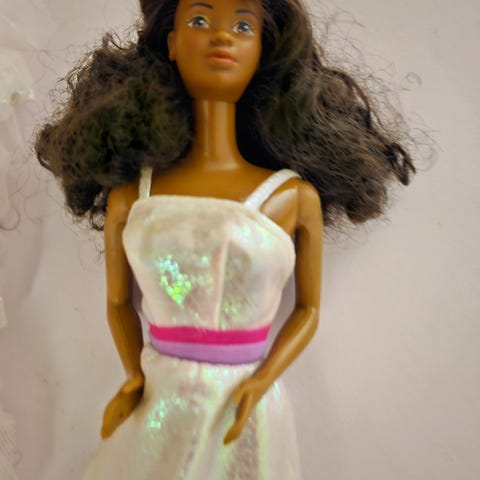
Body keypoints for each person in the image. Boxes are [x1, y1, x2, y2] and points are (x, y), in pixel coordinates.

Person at [35, 0, 415, 478]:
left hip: (245, 405)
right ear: (172, 43)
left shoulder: (292, 198)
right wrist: (133, 377)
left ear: (262, 51)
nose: (222, 36)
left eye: (242, 25)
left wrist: (263, 379)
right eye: (200, 20)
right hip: (162, 398)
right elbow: (117, 303)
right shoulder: (132, 196)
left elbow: (308, 309)